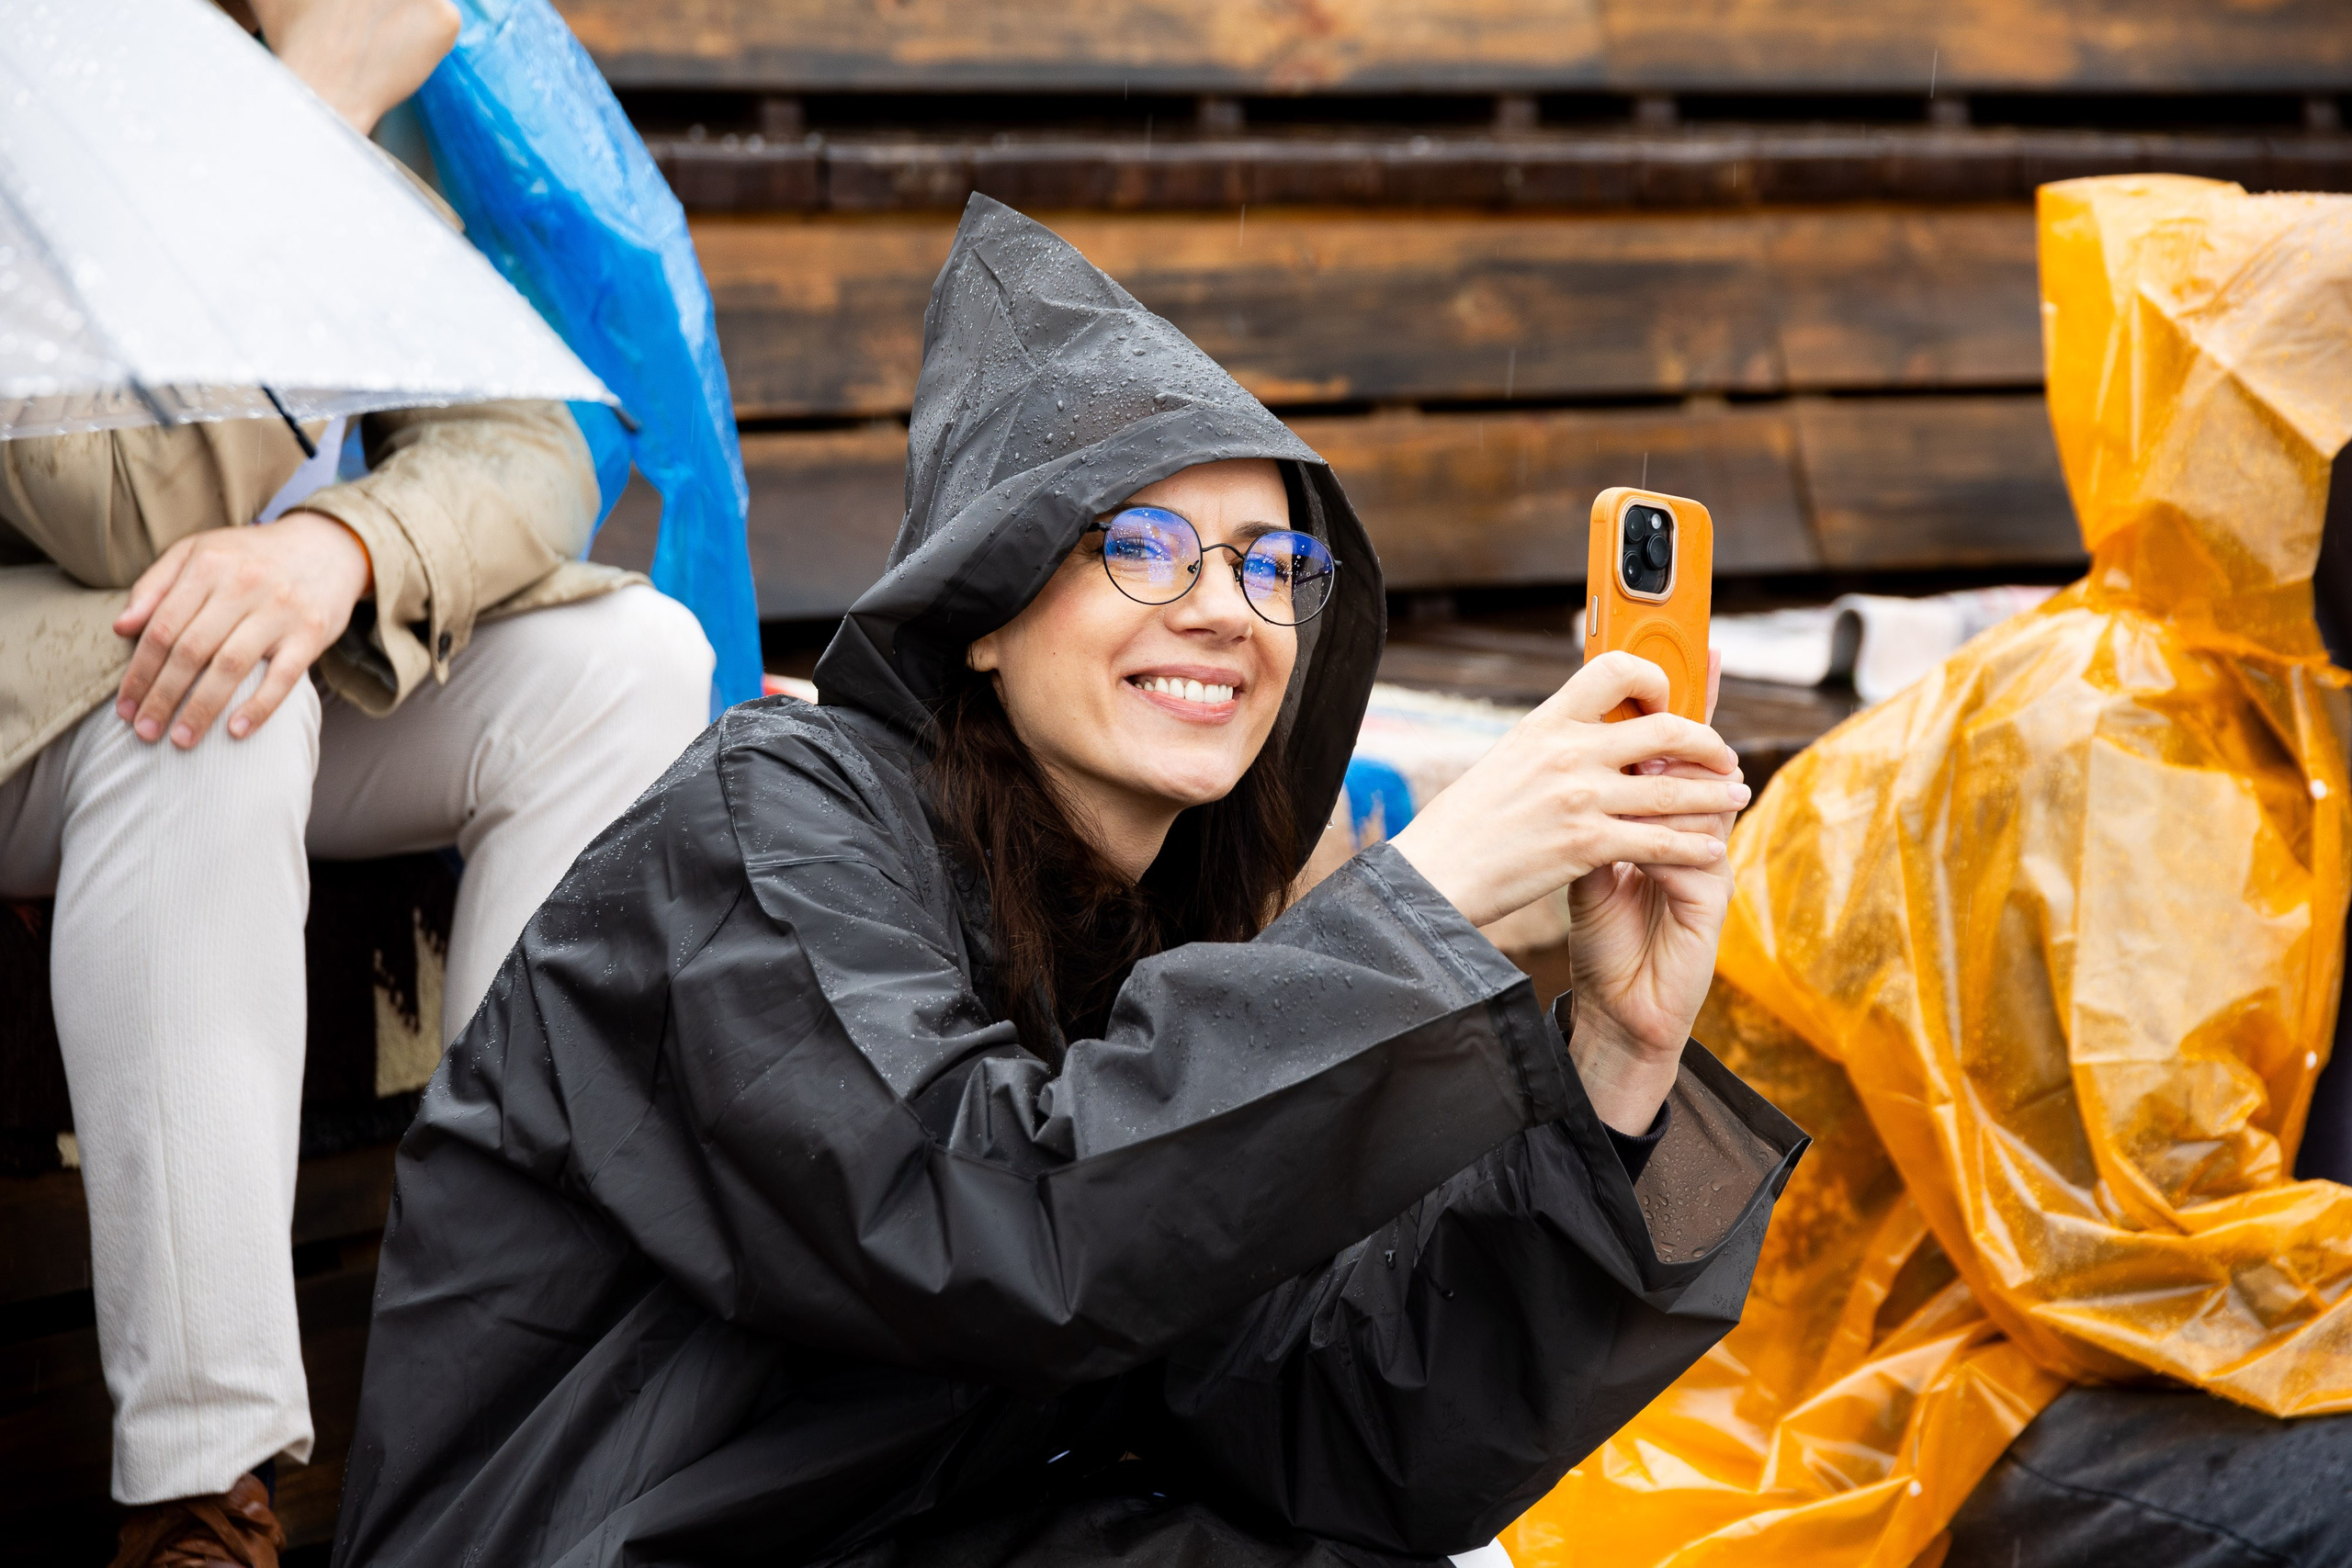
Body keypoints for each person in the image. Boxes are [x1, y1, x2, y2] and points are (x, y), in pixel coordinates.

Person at [331, 195, 1806, 1568]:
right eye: (1149, 546)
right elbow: (993, 1221)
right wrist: (1432, 896)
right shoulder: (762, 832)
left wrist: (1619, 1063)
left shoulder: (1168, 940)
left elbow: (1336, 1430)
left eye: (1270, 561)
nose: (1227, 609)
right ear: (982, 607)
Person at [0, 2, 714, 1562]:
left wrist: (344, 545)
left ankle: (507, 1367)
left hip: (268, 665)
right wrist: (297, 122)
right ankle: (203, 1492)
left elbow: (534, 452)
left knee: (636, 661)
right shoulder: (41, 79)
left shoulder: (373, 95)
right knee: (214, 707)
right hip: (50, 691)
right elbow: (121, 506)